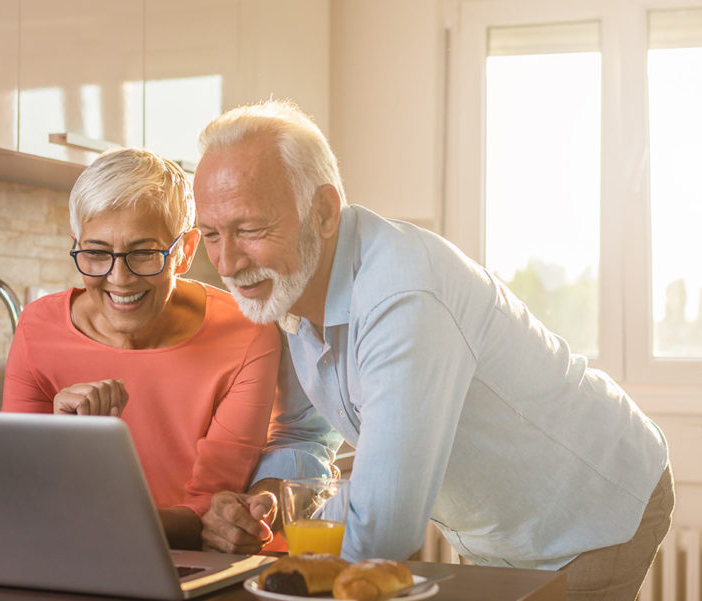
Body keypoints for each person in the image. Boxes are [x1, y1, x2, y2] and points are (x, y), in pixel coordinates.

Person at [193, 100, 673, 601]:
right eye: (211, 234)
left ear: (323, 212)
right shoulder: (288, 286)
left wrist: (275, 566)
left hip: (591, 509)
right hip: (503, 529)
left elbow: (380, 526)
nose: (227, 262)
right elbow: (301, 432)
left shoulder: (402, 294)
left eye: (249, 230)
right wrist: (262, 505)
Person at [2, 147, 282, 551]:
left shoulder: (246, 334)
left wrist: (94, 519)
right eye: (97, 253)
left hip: (188, 566)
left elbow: (212, 510)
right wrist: (61, 443)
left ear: (184, 251)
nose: (119, 279)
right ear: (77, 245)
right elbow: (16, 488)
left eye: (144, 253)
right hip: (64, 557)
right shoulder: (36, 328)